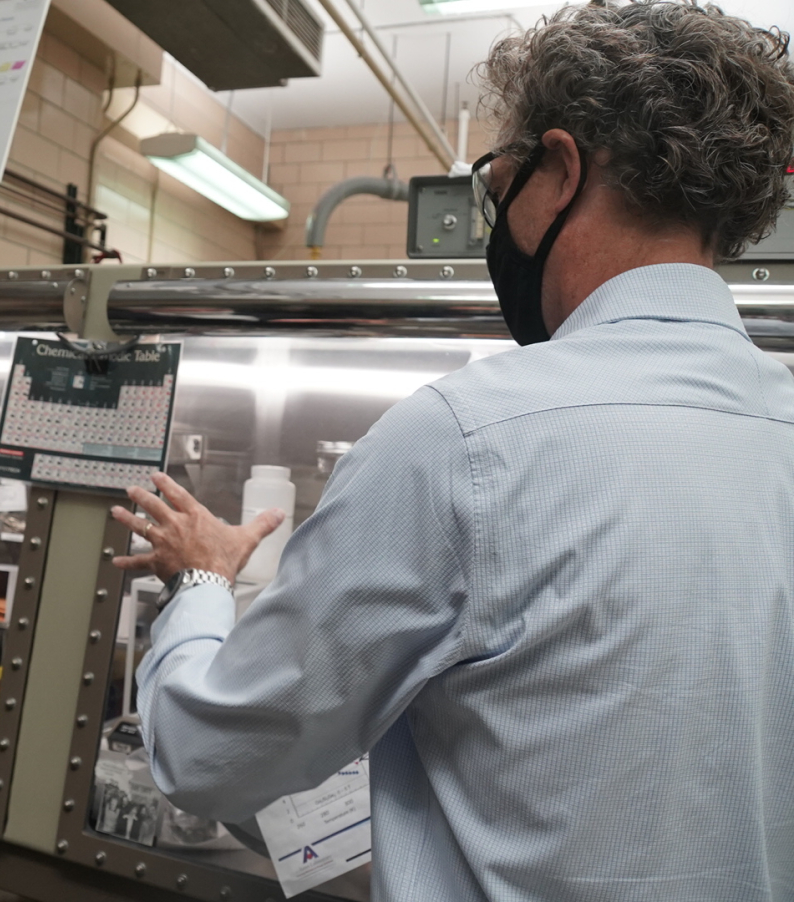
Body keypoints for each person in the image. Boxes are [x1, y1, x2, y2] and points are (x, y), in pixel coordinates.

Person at [114, 3, 794, 900]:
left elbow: (210, 756)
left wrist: (204, 581)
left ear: (556, 169)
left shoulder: (470, 441)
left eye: (498, 182)